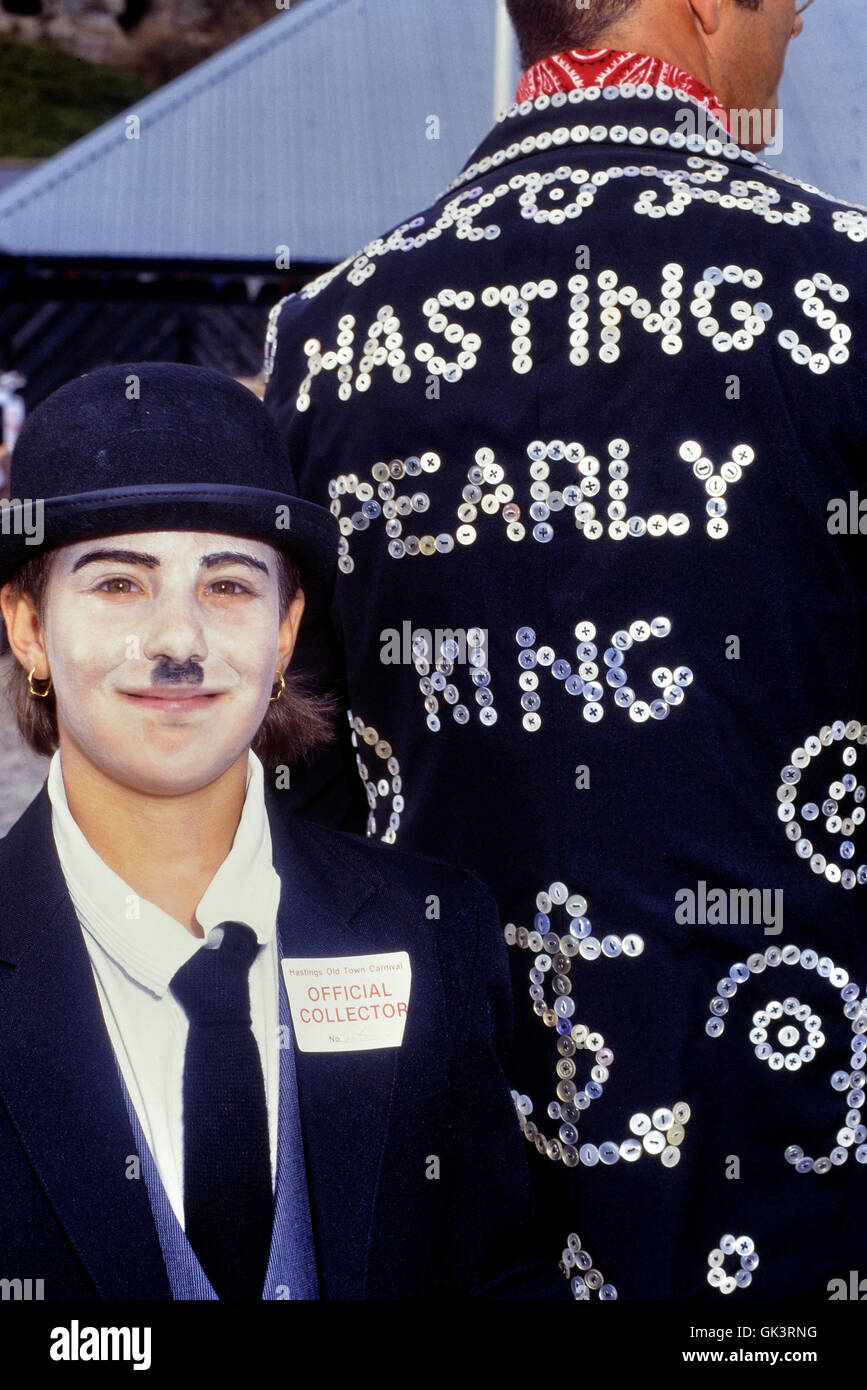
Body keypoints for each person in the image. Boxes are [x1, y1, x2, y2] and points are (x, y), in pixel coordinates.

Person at [263, 0, 867, 1299]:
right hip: (795, 1163)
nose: (804, 16)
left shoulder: (323, 337)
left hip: (443, 1155)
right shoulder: (843, 283)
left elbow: (291, 776)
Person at [0, 362, 566, 1302]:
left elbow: (497, 1277)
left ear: (286, 629)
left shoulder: (431, 931)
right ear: (26, 628)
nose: (177, 641)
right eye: (117, 585)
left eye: (227, 586)